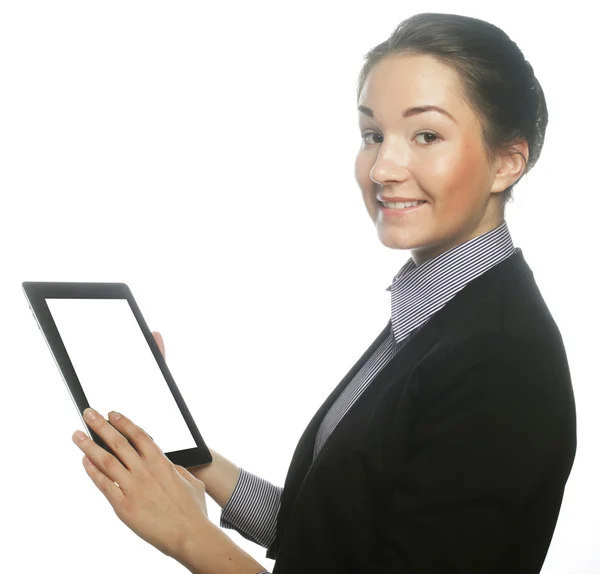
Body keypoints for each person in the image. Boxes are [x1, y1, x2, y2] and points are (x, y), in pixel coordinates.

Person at [73, 12, 577, 574]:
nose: (383, 167)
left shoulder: (499, 359)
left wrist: (191, 537)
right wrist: (189, 455)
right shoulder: (434, 311)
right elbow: (329, 529)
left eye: (426, 135)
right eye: (372, 135)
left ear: (507, 161)